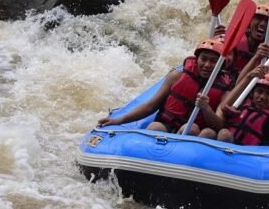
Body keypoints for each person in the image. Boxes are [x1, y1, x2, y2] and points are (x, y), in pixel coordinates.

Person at [97, 38, 233, 136]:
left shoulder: (224, 89)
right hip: (167, 126)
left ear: (221, 64)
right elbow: (150, 106)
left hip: (195, 133)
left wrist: (206, 108)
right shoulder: (177, 76)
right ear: (196, 59)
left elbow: (219, 125)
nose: (207, 65)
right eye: (203, 59)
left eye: (213, 61)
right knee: (154, 126)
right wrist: (119, 120)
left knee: (196, 129)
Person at [213, 47, 269, 145]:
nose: (262, 97)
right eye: (259, 91)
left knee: (224, 134)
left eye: (268, 94)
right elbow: (225, 106)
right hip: (226, 146)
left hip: (249, 152)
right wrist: (249, 76)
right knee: (208, 132)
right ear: (252, 93)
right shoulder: (243, 105)